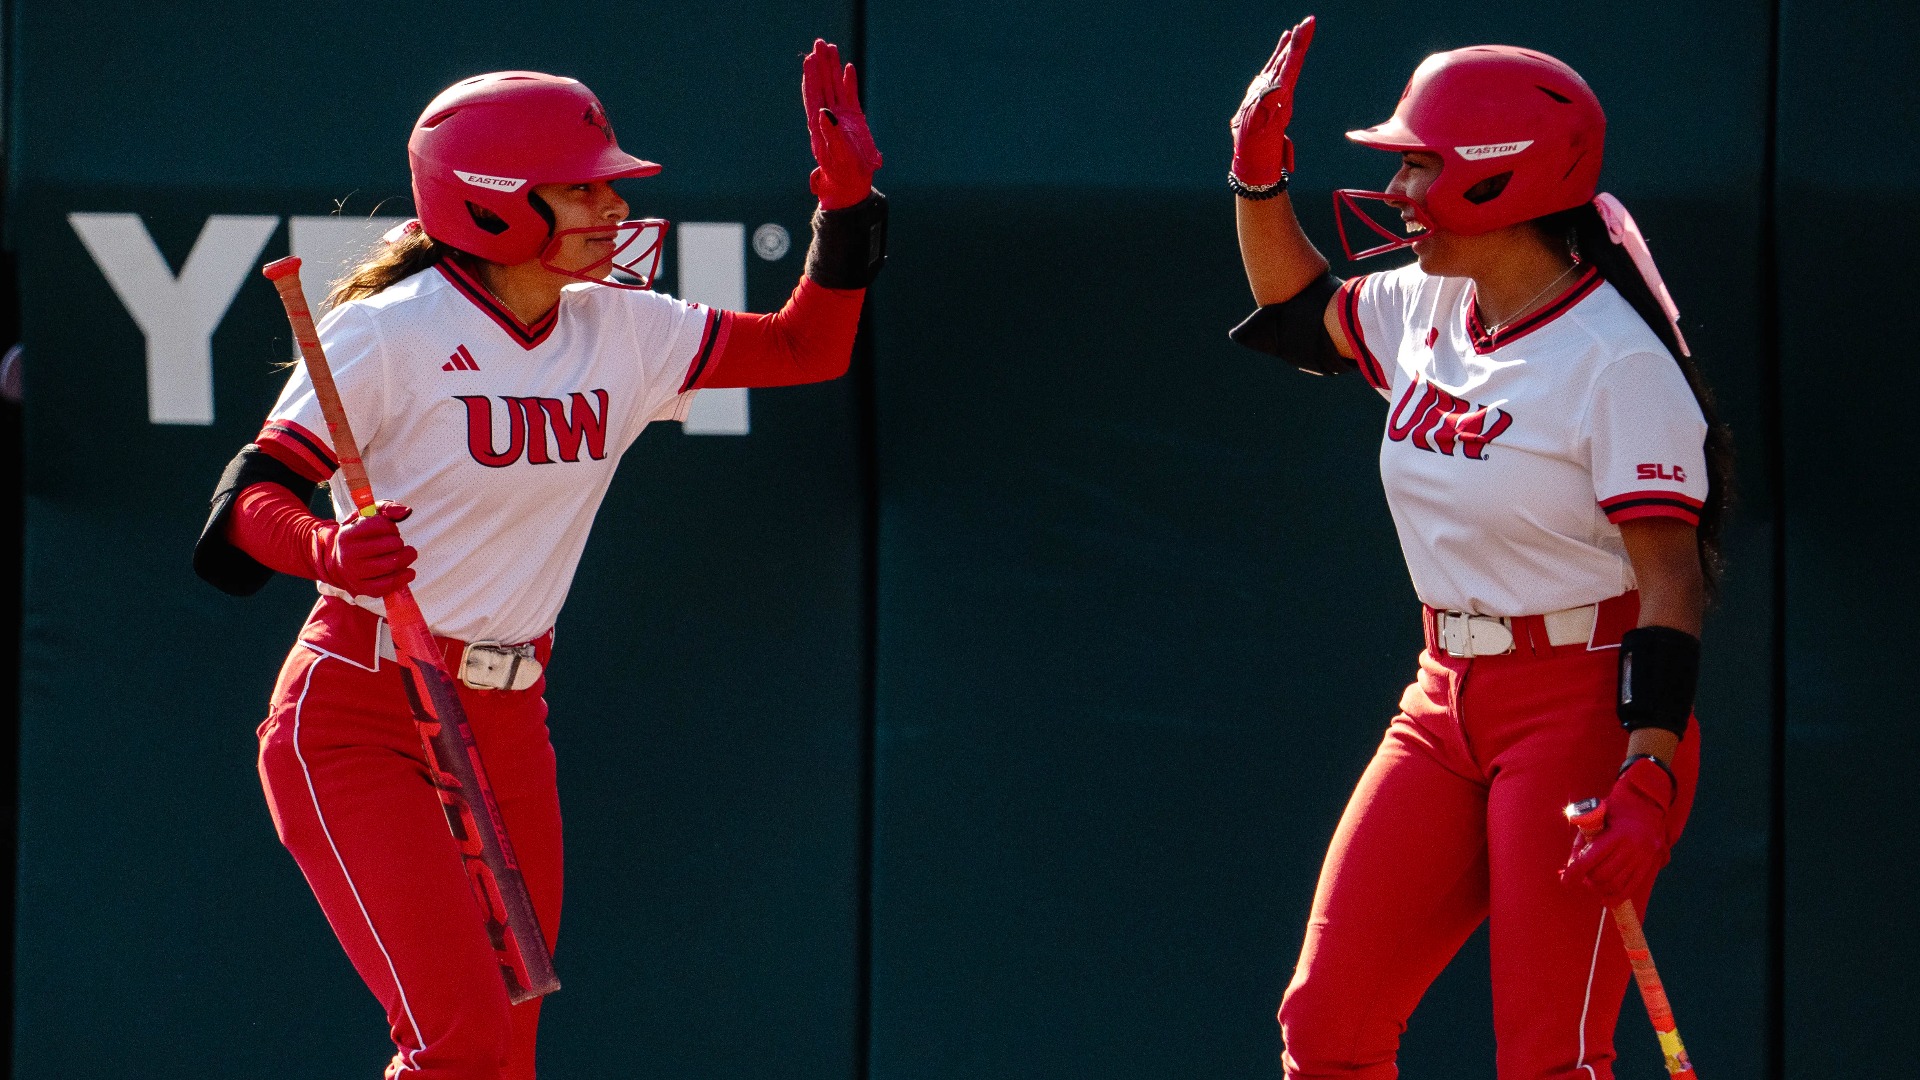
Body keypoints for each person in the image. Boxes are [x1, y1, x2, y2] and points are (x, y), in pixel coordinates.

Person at [191, 41, 885, 1080]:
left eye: (609, 191)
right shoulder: (388, 333)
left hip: (508, 716)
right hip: (361, 711)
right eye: (583, 192)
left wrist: (848, 206)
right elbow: (246, 504)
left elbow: (806, 350)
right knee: (463, 1044)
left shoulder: (623, 328)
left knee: (504, 1056)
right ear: (491, 204)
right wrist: (325, 546)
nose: (613, 212)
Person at [1226, 17, 1731, 1079]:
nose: (1400, 187)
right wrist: (1257, 180)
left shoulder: (1614, 361)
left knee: (1550, 1060)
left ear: (1502, 179)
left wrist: (1649, 766)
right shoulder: (1430, 302)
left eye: (1421, 161)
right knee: (1328, 1029)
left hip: (1586, 709)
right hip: (1443, 696)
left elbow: (1671, 582)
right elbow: (1297, 310)